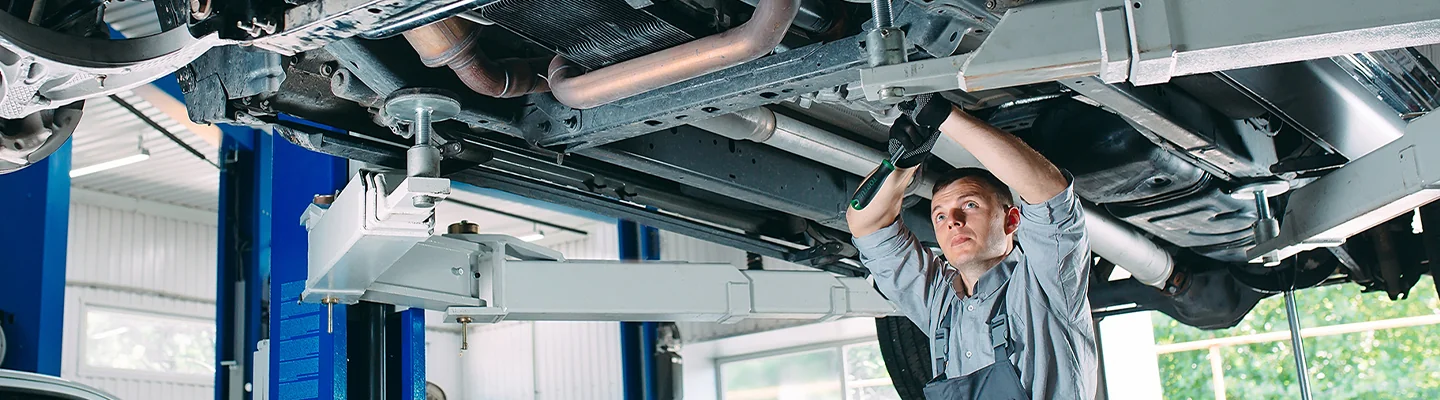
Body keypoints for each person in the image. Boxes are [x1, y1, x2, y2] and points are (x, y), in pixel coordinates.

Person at [847, 94, 1097, 399]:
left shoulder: (1046, 287)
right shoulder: (942, 305)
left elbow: (1049, 194)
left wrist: (946, 116)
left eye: (970, 204)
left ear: (1011, 220)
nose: (952, 220)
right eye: (939, 215)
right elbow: (866, 225)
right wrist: (905, 161)